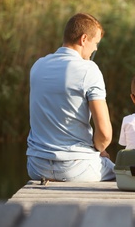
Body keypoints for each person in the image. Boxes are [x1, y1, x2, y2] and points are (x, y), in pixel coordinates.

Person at [26, 13, 115, 182]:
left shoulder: (37, 66)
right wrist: (99, 149)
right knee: (123, 174)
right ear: (83, 39)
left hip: (36, 167)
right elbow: (104, 134)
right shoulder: (89, 70)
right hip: (76, 168)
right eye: (95, 43)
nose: (95, 49)